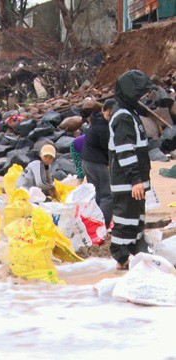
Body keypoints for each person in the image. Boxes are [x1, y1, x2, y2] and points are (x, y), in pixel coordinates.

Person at [108, 70, 157, 270]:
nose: (141, 98)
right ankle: (122, 258)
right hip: (128, 183)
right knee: (125, 220)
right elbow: (125, 151)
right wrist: (135, 180)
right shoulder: (123, 116)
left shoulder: (130, 113)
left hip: (135, 182)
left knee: (137, 220)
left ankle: (137, 256)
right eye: (139, 94)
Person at [81, 99, 115, 228]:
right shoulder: (103, 127)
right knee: (108, 195)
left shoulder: (96, 121)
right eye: (109, 115)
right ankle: (103, 225)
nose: (110, 117)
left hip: (87, 161)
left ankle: (94, 223)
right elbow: (107, 147)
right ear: (103, 110)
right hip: (96, 163)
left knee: (97, 193)